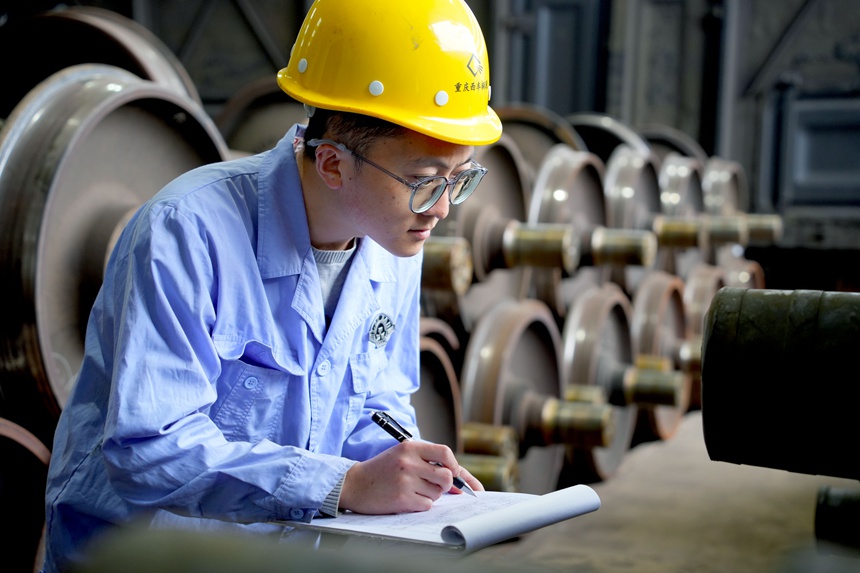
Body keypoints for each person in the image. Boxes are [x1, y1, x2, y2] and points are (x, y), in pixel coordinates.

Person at [41, 0, 502, 571]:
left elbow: (375, 399)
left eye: (461, 179)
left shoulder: (395, 245)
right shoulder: (187, 233)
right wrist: (346, 485)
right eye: (425, 181)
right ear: (333, 164)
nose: (444, 209)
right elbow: (147, 450)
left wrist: (408, 465)